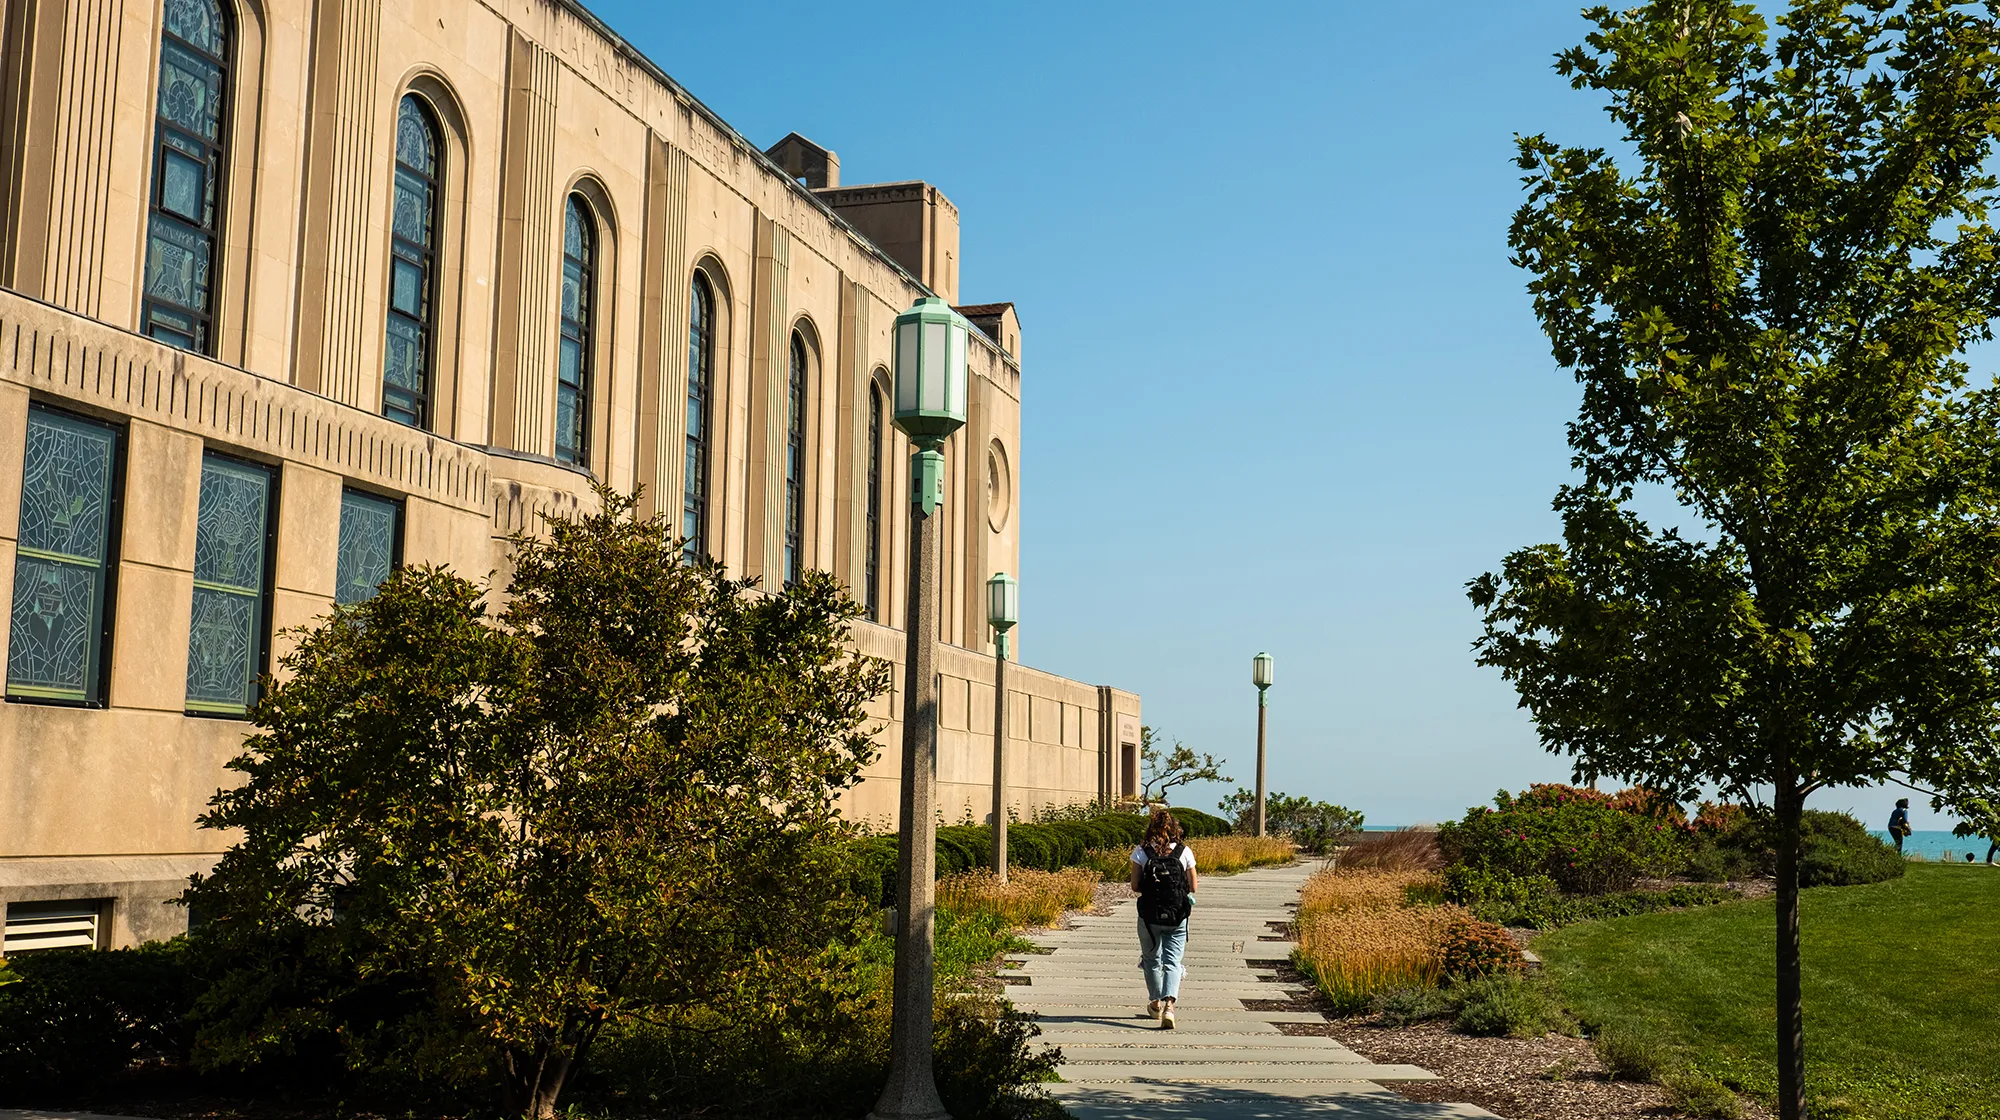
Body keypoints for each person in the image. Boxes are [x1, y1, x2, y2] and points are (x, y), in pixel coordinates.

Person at [1129, 808, 1198, 1029]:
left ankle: (1155, 1003)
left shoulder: (1141, 851)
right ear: (1175, 829)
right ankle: (1170, 1006)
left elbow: (1135, 886)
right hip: (1177, 915)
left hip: (1149, 916)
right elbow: (1194, 886)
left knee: (1151, 960)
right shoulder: (1184, 852)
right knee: (1172, 962)